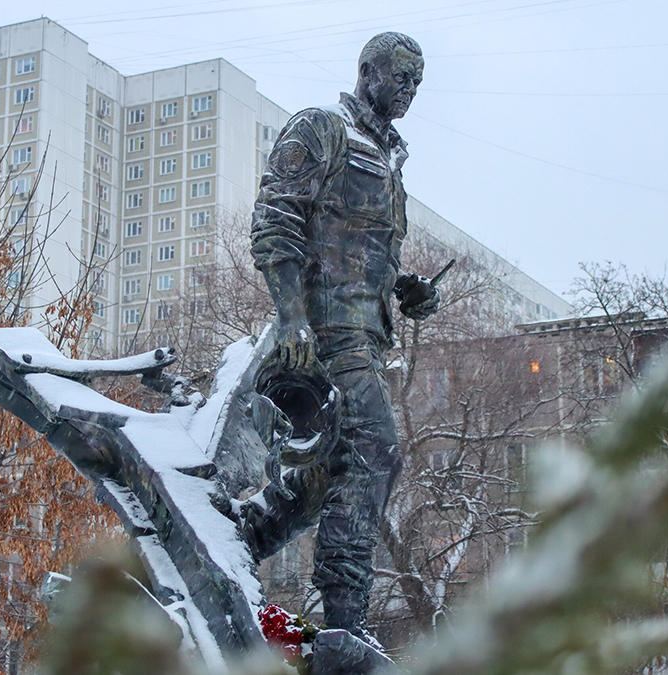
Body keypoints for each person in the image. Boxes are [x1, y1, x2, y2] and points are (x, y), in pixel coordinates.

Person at [242, 31, 439, 643]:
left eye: (418, 82)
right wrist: (290, 317)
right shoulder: (322, 129)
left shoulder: (387, 159)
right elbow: (275, 221)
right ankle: (345, 624)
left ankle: (242, 535)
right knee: (376, 452)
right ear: (367, 71)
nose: (409, 90)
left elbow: (359, 252)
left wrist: (404, 288)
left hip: (366, 337)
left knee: (329, 474)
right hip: (324, 337)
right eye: (401, 76)